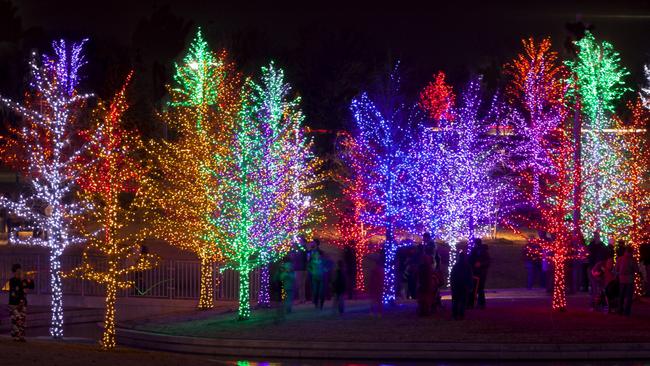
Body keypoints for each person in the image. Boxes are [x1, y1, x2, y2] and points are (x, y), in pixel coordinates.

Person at [8, 264, 34, 342]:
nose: (20, 271)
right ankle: (16, 336)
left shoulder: (24, 280)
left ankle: (21, 336)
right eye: (18, 270)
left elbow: (31, 287)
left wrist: (31, 279)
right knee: (16, 319)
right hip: (14, 304)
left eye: (20, 270)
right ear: (15, 271)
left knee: (22, 320)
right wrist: (19, 302)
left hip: (23, 304)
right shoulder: (12, 281)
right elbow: (15, 292)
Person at [616, 246, 639, 316]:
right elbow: (636, 270)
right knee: (629, 296)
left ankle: (620, 310)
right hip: (630, 279)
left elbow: (616, 269)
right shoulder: (632, 259)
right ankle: (627, 311)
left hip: (622, 279)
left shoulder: (620, 259)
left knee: (621, 295)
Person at [450, 252, 473, 320]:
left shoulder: (456, 266)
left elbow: (452, 276)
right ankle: (461, 315)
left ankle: (455, 315)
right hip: (464, 286)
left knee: (455, 301)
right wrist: (470, 285)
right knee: (463, 301)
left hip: (456, 285)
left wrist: (452, 285)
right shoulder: (467, 266)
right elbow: (470, 277)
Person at [468, 239, 490, 309]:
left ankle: (480, 304)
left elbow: (487, 261)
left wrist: (481, 264)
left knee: (480, 288)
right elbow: (471, 260)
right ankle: (474, 303)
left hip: (481, 272)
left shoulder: (483, 251)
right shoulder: (474, 250)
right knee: (475, 288)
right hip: (475, 272)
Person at [291, 237, 308, 303]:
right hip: (303, 268)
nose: (299, 241)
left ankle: (302, 299)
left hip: (299, 269)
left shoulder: (301, 249)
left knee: (300, 285)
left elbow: (297, 258)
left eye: (300, 240)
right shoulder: (304, 249)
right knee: (302, 285)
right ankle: (303, 299)